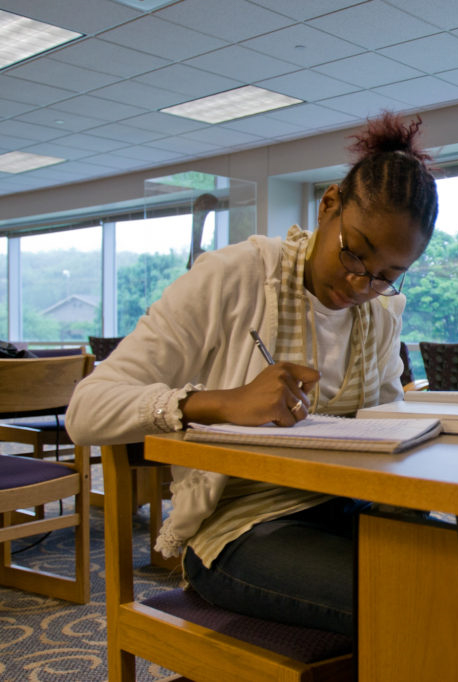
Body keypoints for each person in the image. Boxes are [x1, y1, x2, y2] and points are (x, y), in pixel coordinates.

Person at [66, 111, 438, 635]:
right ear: (328, 204)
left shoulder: (378, 313)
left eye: (386, 276)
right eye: (354, 253)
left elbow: (382, 429)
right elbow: (85, 409)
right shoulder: (236, 276)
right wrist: (220, 401)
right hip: (241, 529)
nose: (360, 284)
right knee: (424, 599)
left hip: (342, 507)